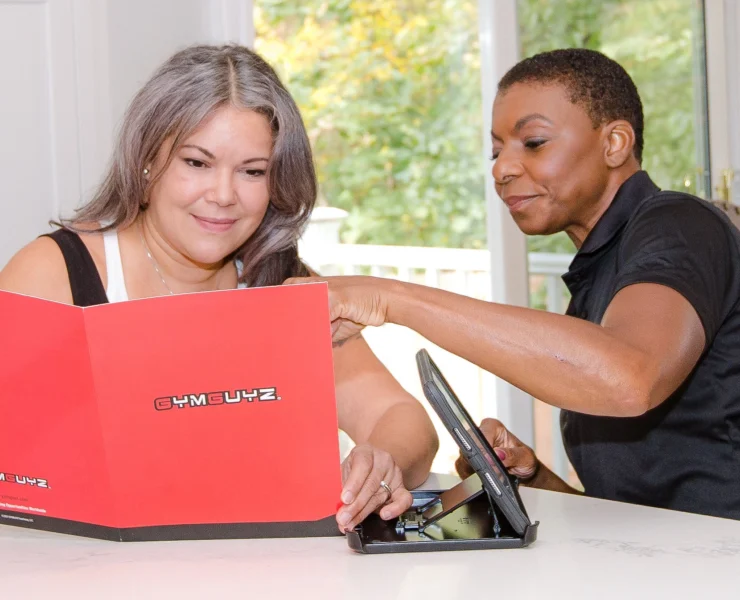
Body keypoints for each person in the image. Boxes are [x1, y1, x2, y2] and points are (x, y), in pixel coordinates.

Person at [0, 44, 438, 532]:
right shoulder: (53, 273)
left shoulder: (281, 282)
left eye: (253, 171)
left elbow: (402, 417)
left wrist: (381, 461)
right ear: (147, 159)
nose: (224, 195)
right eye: (197, 163)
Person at [287, 48, 740, 520]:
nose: (502, 169)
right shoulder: (602, 273)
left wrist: (389, 298)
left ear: (615, 143)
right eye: (496, 150)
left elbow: (630, 379)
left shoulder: (682, 224)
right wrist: (533, 477)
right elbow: (638, 512)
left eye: (534, 142)